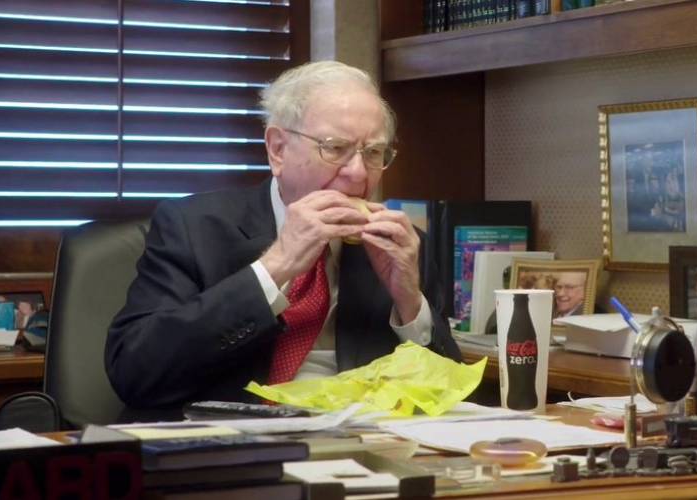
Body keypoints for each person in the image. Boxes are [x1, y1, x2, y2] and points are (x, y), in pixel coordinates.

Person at [106, 61, 461, 409]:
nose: (357, 174)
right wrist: (276, 266)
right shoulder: (192, 227)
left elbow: (454, 394)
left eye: (373, 153)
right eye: (335, 148)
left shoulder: (401, 244)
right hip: (237, 446)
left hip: (359, 446)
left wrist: (410, 303)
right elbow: (134, 372)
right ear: (278, 149)